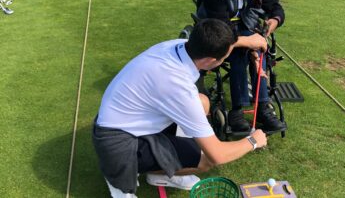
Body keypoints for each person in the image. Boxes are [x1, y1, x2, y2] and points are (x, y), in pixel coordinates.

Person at [92, 19, 268, 197]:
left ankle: (160, 171)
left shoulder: (179, 46)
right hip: (119, 145)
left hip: (122, 122)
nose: (225, 59)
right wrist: (253, 141)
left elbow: (215, 48)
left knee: (202, 102)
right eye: (224, 58)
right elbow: (218, 155)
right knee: (205, 159)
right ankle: (122, 176)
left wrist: (247, 41)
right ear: (210, 61)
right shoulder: (178, 87)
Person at [197, 0, 287, 134]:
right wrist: (249, 42)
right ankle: (237, 111)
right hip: (219, 32)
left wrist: (273, 21)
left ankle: (263, 108)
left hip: (247, 30)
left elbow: (276, 7)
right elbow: (221, 25)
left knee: (259, 50)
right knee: (240, 53)